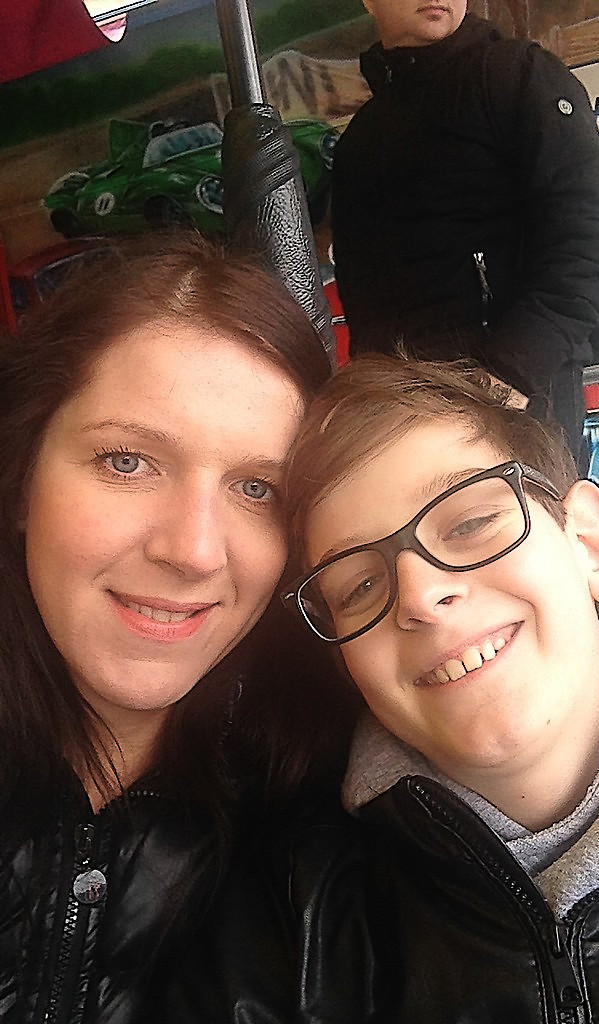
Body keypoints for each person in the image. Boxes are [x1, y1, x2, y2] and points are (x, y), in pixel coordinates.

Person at [273, 353, 599, 1021]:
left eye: (470, 524)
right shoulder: (291, 925)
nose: (419, 596)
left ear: (592, 545)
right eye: (359, 586)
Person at [0, 231, 356, 1024]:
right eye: (128, 461)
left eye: (257, 489)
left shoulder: (327, 812)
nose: (193, 551)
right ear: (21, 479)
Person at [330, 0, 599, 457]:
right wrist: (373, 391)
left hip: (513, 395)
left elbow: (586, 241)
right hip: (402, 409)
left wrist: (510, 375)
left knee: (521, 506)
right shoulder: (360, 137)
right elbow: (362, 287)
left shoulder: (518, 74)